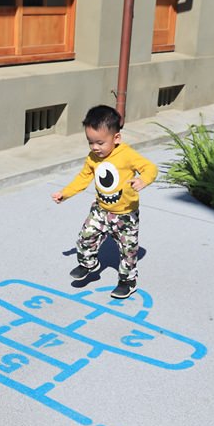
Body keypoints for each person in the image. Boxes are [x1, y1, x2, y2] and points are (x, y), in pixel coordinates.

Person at [51, 105, 158, 299]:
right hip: (100, 209)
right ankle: (89, 264)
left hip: (125, 214)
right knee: (85, 237)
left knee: (127, 250)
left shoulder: (127, 155)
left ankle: (127, 281)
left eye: (100, 143)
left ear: (116, 138)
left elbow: (150, 168)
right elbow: (82, 178)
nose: (94, 148)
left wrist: (143, 180)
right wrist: (65, 193)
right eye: (90, 142)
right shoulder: (93, 158)